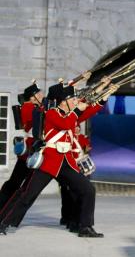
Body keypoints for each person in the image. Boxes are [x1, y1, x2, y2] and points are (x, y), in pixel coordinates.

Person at [0, 83, 118, 237]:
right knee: (27, 195)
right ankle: (4, 222)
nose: (76, 101)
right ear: (64, 101)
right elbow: (65, 123)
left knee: (88, 189)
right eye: (73, 99)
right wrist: (77, 110)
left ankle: (85, 227)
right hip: (49, 162)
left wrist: (104, 97)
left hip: (66, 162)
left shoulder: (71, 114)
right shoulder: (52, 113)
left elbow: (87, 112)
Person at [0, 83, 44, 211]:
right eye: (38, 93)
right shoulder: (28, 107)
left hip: (37, 148)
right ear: (32, 97)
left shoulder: (37, 105)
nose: (41, 95)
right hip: (30, 149)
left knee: (22, 184)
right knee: (15, 182)